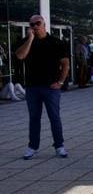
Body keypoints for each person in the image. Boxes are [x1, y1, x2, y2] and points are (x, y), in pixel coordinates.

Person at [15, 15, 70, 160]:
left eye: (38, 23)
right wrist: (30, 39)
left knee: (54, 117)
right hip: (32, 87)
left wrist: (61, 82)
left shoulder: (56, 42)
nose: (35, 26)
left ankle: (59, 146)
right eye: (32, 24)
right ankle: (32, 147)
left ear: (44, 23)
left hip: (51, 87)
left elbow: (65, 64)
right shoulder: (26, 42)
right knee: (34, 118)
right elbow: (20, 56)